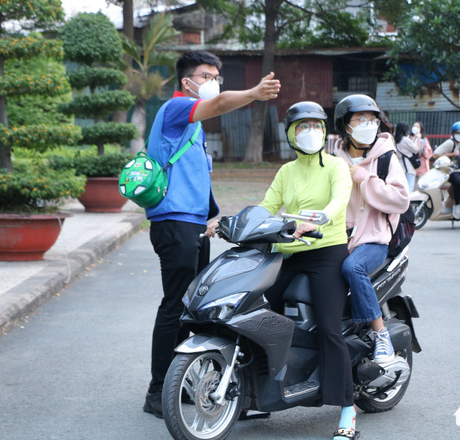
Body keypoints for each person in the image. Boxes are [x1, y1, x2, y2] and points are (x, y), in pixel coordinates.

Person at [142, 50, 281, 418]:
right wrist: (253, 93)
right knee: (175, 306)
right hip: (174, 224)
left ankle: (181, 383)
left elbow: (193, 178)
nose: (214, 81)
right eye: (206, 75)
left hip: (192, 224)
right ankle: (158, 392)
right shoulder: (175, 109)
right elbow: (219, 103)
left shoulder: (193, 125)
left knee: (192, 309)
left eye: (217, 75)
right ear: (187, 81)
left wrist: (211, 217)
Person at [260, 102, 357, 439]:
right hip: (289, 251)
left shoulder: (336, 166)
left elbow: (339, 199)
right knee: (256, 311)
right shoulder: (286, 172)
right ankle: (256, 390)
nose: (311, 132)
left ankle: (347, 407)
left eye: (316, 125)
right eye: (303, 127)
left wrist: (320, 217)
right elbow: (266, 207)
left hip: (325, 251)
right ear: (291, 134)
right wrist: (238, 224)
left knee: (330, 328)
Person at [333, 95, 410, 366]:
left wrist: (364, 178)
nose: (368, 125)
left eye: (372, 120)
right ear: (345, 126)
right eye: (361, 120)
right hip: (340, 239)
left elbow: (401, 199)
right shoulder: (334, 158)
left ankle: (381, 335)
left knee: (353, 268)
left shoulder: (386, 157)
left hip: (374, 242)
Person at [433, 121, 460, 219]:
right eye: (458, 133)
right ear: (453, 133)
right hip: (451, 170)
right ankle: (457, 204)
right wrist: (452, 154)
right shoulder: (450, 143)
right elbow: (435, 154)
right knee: (457, 181)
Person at [393, 121, 420, 191]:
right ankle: (408, 202)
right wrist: (419, 138)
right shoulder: (405, 140)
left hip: (399, 167)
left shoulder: (395, 140)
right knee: (409, 188)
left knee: (402, 189)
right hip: (408, 167)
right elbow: (417, 149)